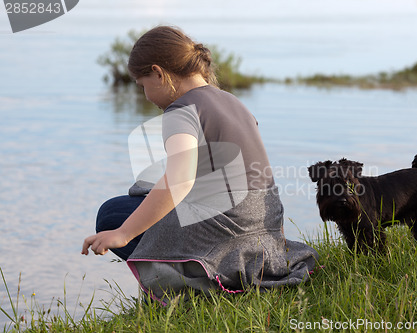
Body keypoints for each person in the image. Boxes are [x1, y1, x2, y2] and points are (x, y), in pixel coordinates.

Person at [82, 26, 318, 302]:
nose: (146, 96)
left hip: (226, 239)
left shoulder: (180, 111)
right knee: (145, 195)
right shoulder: (233, 102)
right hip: (262, 237)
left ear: (159, 73)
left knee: (112, 215)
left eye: (143, 85)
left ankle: (187, 285)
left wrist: (122, 233)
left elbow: (180, 180)